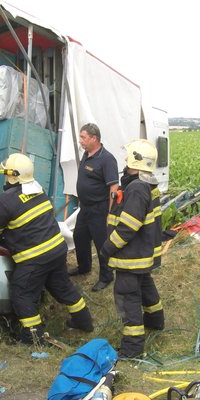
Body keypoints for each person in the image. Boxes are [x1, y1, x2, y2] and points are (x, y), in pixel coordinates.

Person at [0, 153, 93, 344]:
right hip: (56, 250)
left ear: (12, 176)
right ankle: (84, 321)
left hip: (34, 258)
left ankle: (33, 336)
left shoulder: (6, 200)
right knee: (63, 287)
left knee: (22, 293)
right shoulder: (38, 189)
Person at [100, 140, 164, 358]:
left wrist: (108, 247)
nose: (125, 160)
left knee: (128, 300)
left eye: (128, 157)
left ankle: (132, 349)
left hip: (131, 256)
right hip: (142, 255)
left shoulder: (136, 188)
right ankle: (156, 322)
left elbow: (128, 227)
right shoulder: (147, 184)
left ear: (135, 161)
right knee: (146, 288)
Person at [70, 123, 119, 291]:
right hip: (85, 208)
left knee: (101, 244)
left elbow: (113, 187)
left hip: (99, 209)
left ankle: (106, 276)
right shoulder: (86, 154)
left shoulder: (107, 159)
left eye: (83, 137)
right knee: (79, 237)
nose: (80, 141)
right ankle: (84, 267)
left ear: (94, 138)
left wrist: (110, 212)